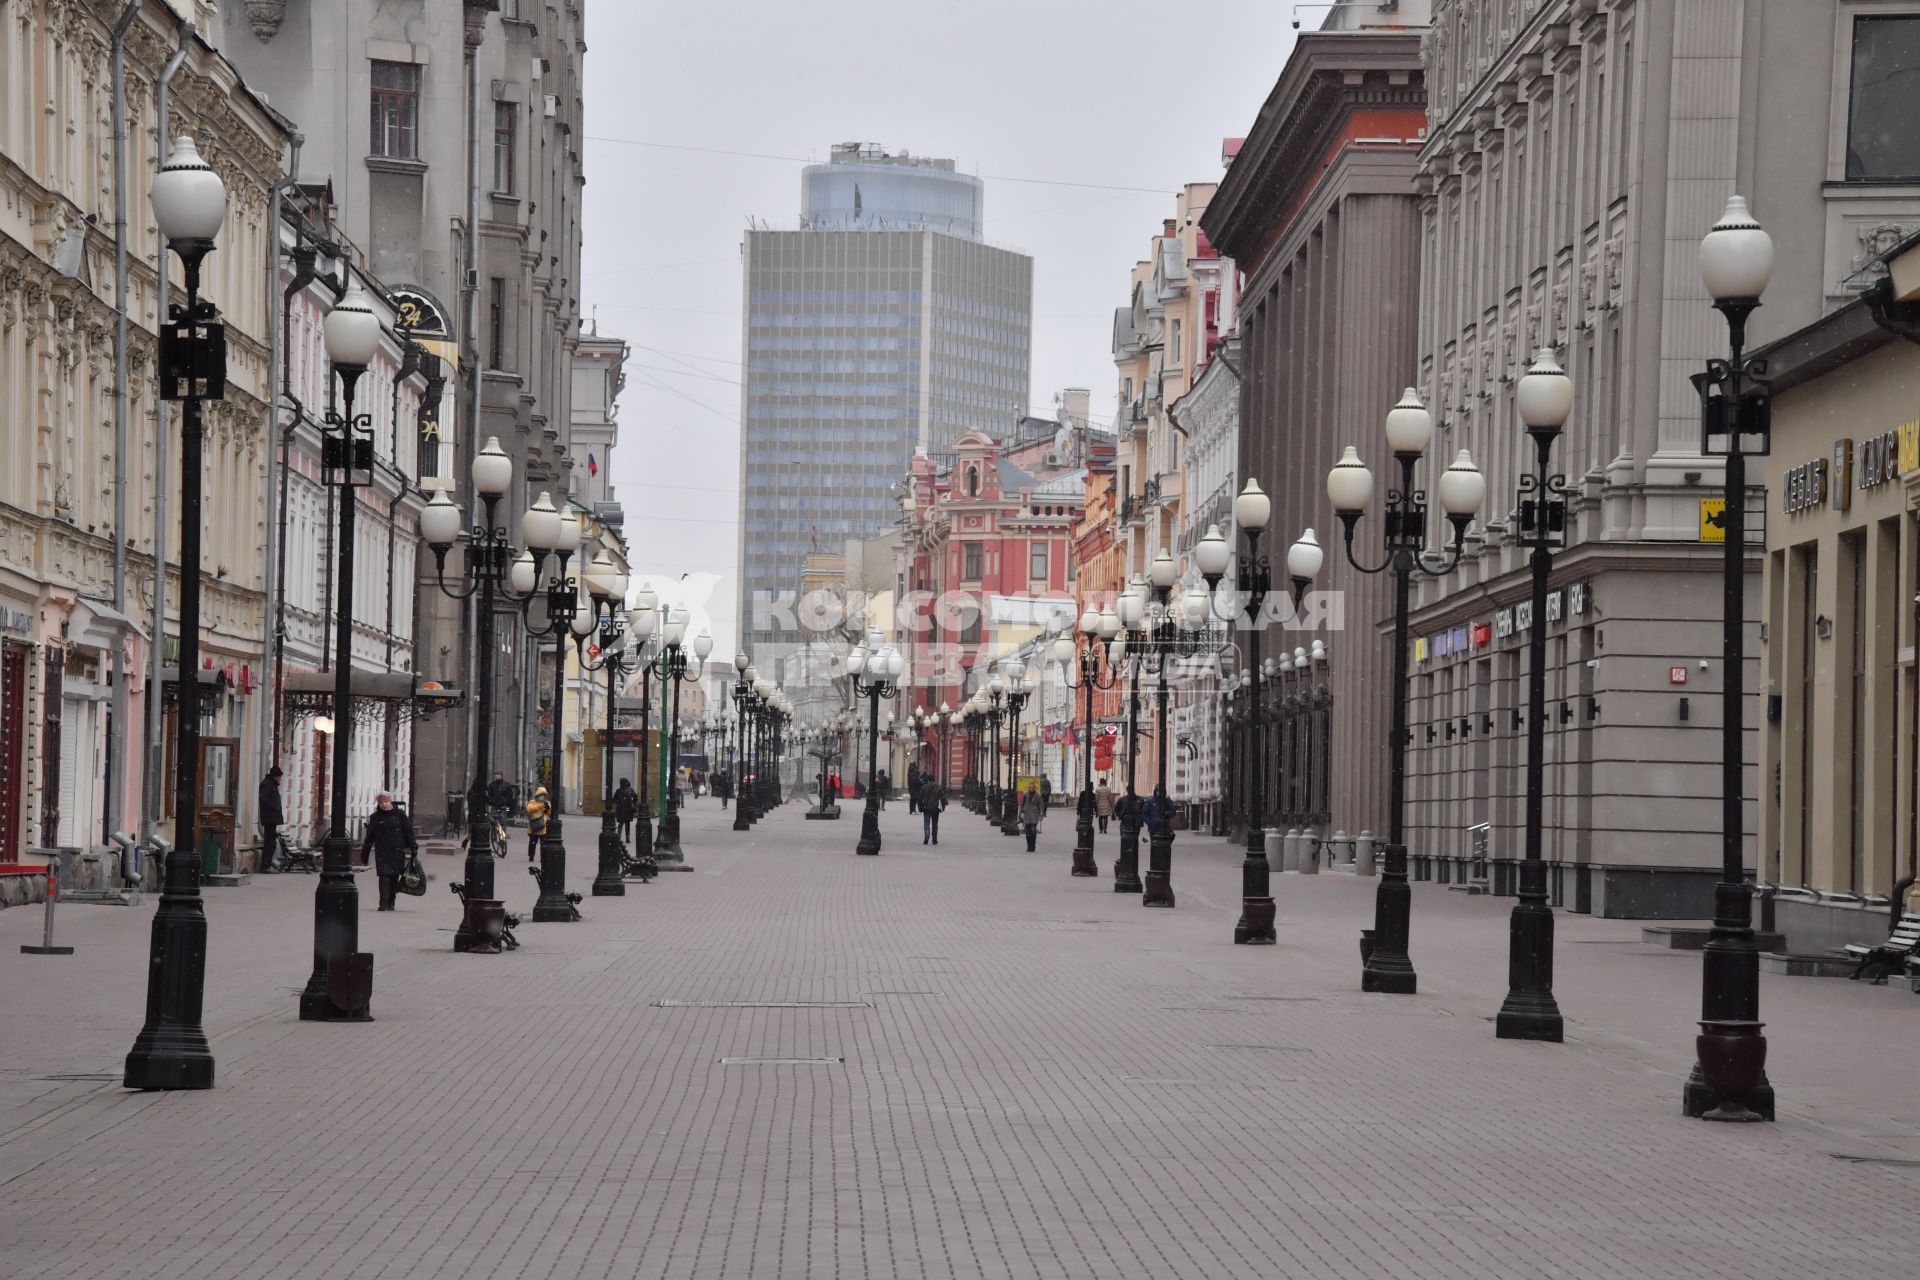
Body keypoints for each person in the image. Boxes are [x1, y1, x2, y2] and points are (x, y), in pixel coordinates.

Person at [361, 791, 417, 910]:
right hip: (382, 851)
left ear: (390, 801)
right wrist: (365, 853)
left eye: (386, 802)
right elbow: (370, 836)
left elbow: (408, 832)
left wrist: (413, 847)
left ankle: (391, 901)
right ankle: (383, 903)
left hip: (397, 850)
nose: (384, 805)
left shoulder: (400, 814)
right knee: (383, 876)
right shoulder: (375, 817)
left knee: (394, 877)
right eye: (381, 802)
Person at [256, 766, 284, 872]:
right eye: (279, 777)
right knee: (269, 843)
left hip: (271, 818)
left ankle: (267, 864)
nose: (280, 779)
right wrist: (273, 807)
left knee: (271, 842)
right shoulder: (268, 784)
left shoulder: (271, 784)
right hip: (270, 818)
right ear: (275, 776)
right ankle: (266, 865)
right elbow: (264, 800)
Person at [525, 785, 550, 861]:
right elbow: (529, 809)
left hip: (543, 827)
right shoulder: (532, 802)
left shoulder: (547, 803)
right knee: (532, 843)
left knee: (543, 845)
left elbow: (550, 814)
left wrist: (548, 809)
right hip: (534, 827)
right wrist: (540, 806)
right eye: (541, 795)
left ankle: (542, 858)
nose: (542, 797)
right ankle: (531, 856)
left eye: (544, 795)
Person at [1019, 784, 1045, 852]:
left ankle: (1033, 846)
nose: (1031, 789)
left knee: (1033, 832)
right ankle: (1028, 846)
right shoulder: (1025, 795)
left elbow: (1041, 806)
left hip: (1034, 816)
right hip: (1026, 816)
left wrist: (1041, 814)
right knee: (1027, 833)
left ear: (1034, 788)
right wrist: (1020, 814)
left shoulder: (1038, 796)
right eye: (1029, 787)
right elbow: (1021, 805)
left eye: (1032, 787)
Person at [921, 777, 946, 845]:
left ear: (928, 780)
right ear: (934, 780)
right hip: (935, 808)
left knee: (926, 823)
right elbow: (943, 798)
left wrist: (921, 808)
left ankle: (926, 838)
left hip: (926, 807)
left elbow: (920, 798)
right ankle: (934, 839)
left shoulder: (924, 787)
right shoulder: (938, 787)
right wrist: (943, 807)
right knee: (935, 823)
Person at [612, 778, 638, 844]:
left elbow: (614, 799)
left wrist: (619, 801)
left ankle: (619, 836)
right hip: (628, 809)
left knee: (620, 824)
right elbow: (635, 797)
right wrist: (633, 802)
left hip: (620, 809)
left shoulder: (618, 790)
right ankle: (627, 838)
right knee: (627, 824)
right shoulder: (630, 790)